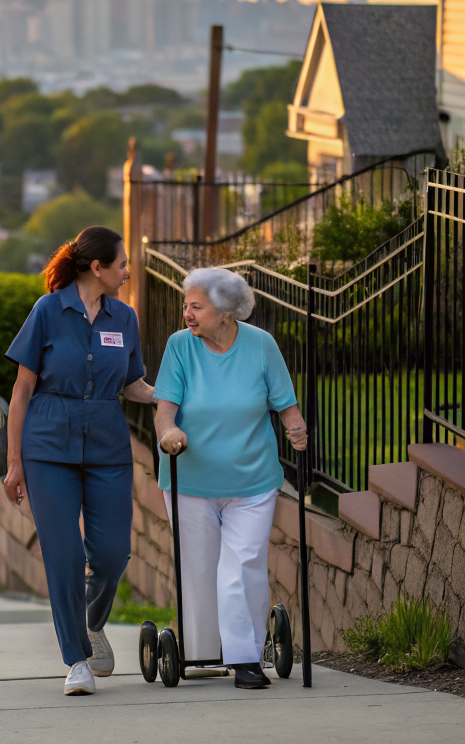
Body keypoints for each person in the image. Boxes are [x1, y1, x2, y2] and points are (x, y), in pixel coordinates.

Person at [2, 226, 155, 697]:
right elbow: (22, 390)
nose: (128, 272)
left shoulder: (124, 317)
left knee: (112, 555)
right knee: (65, 556)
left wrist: (175, 397)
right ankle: (76, 661)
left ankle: (91, 623)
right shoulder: (48, 311)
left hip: (108, 447)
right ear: (97, 268)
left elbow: (133, 385)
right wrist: (14, 463)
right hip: (47, 449)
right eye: (122, 264)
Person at [152, 267, 308, 690]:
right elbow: (164, 410)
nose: (187, 312)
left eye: (196, 306)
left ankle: (244, 659)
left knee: (243, 565)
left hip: (252, 481)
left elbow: (285, 403)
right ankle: (202, 653)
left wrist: (295, 429)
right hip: (190, 481)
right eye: (186, 304)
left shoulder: (261, 345)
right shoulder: (179, 347)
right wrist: (169, 433)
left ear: (225, 312)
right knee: (200, 570)